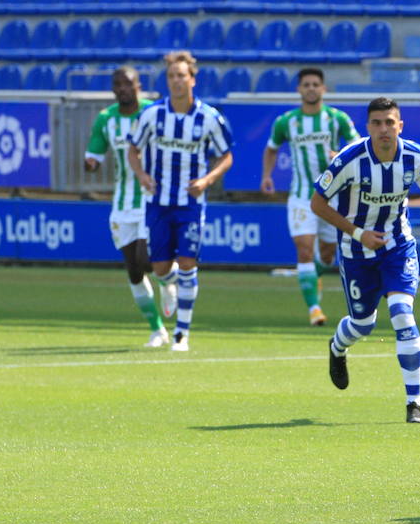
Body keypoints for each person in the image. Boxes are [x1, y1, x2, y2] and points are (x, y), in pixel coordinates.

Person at [311, 97, 420, 424]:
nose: (384, 129)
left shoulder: (416, 157)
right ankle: (337, 347)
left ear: (400, 125)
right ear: (368, 126)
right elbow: (317, 203)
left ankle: (414, 403)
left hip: (398, 247)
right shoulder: (350, 160)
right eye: (377, 123)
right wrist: (358, 234)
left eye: (390, 122)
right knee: (362, 324)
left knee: (402, 314)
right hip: (356, 253)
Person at [126, 50, 234, 353]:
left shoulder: (209, 118)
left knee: (187, 263)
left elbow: (227, 156)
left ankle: (181, 335)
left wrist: (206, 181)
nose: (176, 81)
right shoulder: (152, 115)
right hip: (158, 201)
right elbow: (133, 150)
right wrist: (141, 175)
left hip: (190, 203)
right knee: (159, 267)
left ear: (192, 79)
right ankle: (168, 284)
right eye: (171, 76)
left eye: (181, 76)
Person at [260, 67, 359, 327]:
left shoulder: (337, 119)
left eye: (316, 84)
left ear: (323, 89)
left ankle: (313, 279)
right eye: (307, 84)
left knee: (326, 256)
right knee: (304, 250)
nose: (312, 88)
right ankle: (314, 308)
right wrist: (267, 176)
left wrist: (339, 153)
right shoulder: (286, 122)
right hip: (302, 196)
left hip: (333, 198)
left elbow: (357, 146)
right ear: (299, 89)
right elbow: (271, 149)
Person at [84, 67, 166, 347]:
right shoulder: (106, 119)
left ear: (138, 86)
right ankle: (157, 329)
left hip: (151, 197)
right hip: (122, 203)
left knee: (146, 258)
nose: (122, 89)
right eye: (117, 84)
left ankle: (169, 280)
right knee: (134, 270)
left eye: (128, 84)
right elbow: (94, 152)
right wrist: (91, 163)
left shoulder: (153, 112)